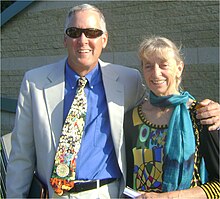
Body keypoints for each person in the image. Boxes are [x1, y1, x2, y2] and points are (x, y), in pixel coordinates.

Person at [5, 4, 220, 198]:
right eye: (74, 32)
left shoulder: (127, 80)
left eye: (92, 33)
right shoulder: (35, 82)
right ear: (64, 39)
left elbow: (165, 101)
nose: (83, 40)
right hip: (55, 194)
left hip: (107, 193)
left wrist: (214, 110)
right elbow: (21, 156)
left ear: (104, 40)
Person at [124, 36, 220, 199]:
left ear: (179, 68)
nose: (156, 73)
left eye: (163, 65)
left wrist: (167, 197)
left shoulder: (201, 115)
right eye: (148, 66)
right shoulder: (131, 118)